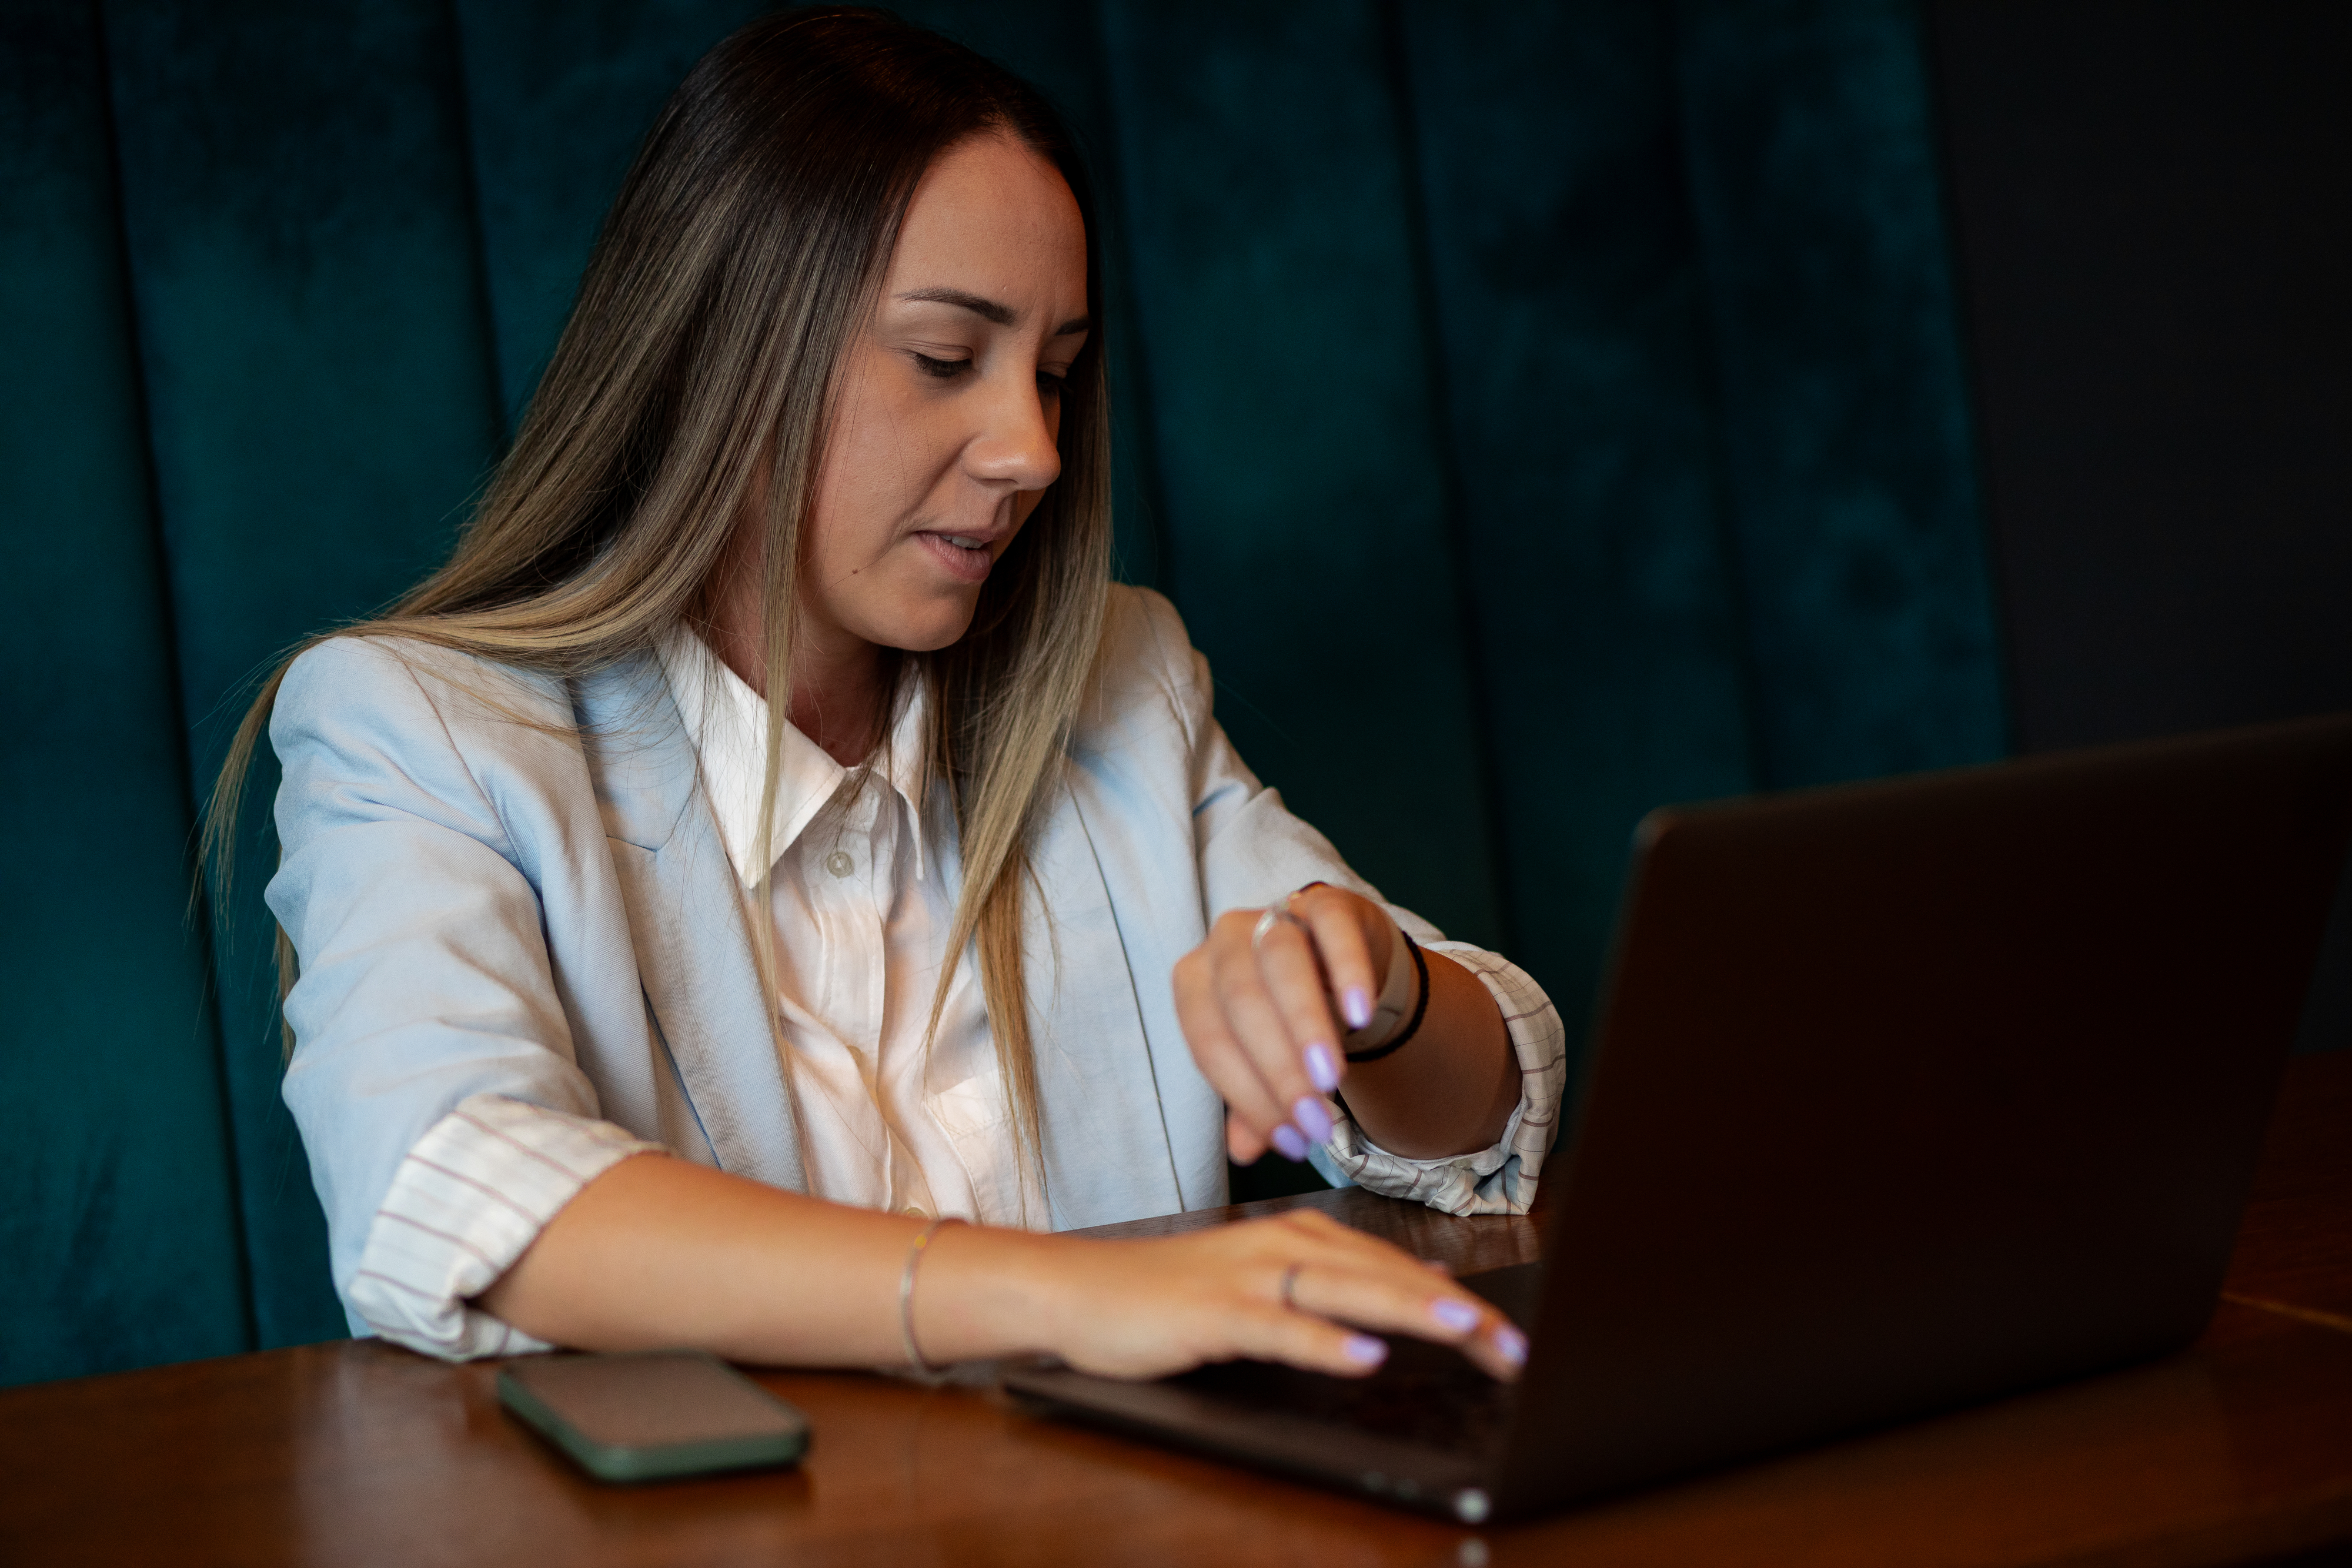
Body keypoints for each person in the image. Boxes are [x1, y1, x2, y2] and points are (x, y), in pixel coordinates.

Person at [216, 6, 1566, 1385]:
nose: (1034, 450)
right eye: (942, 359)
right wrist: (1068, 1295)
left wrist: (1383, 994)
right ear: (720, 350)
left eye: (1054, 373)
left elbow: (1470, 1139)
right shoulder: (414, 723)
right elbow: (451, 1188)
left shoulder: (1123, 680)